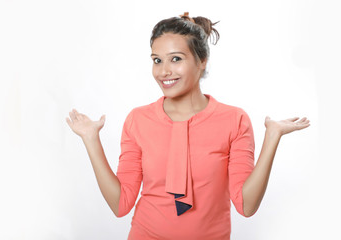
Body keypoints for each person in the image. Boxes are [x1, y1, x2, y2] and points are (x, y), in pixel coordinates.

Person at [66, 12, 310, 240]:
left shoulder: (234, 120)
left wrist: (272, 137)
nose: (164, 71)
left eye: (176, 59)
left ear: (202, 60)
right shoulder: (137, 120)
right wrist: (90, 139)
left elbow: (246, 206)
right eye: (157, 60)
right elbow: (121, 204)